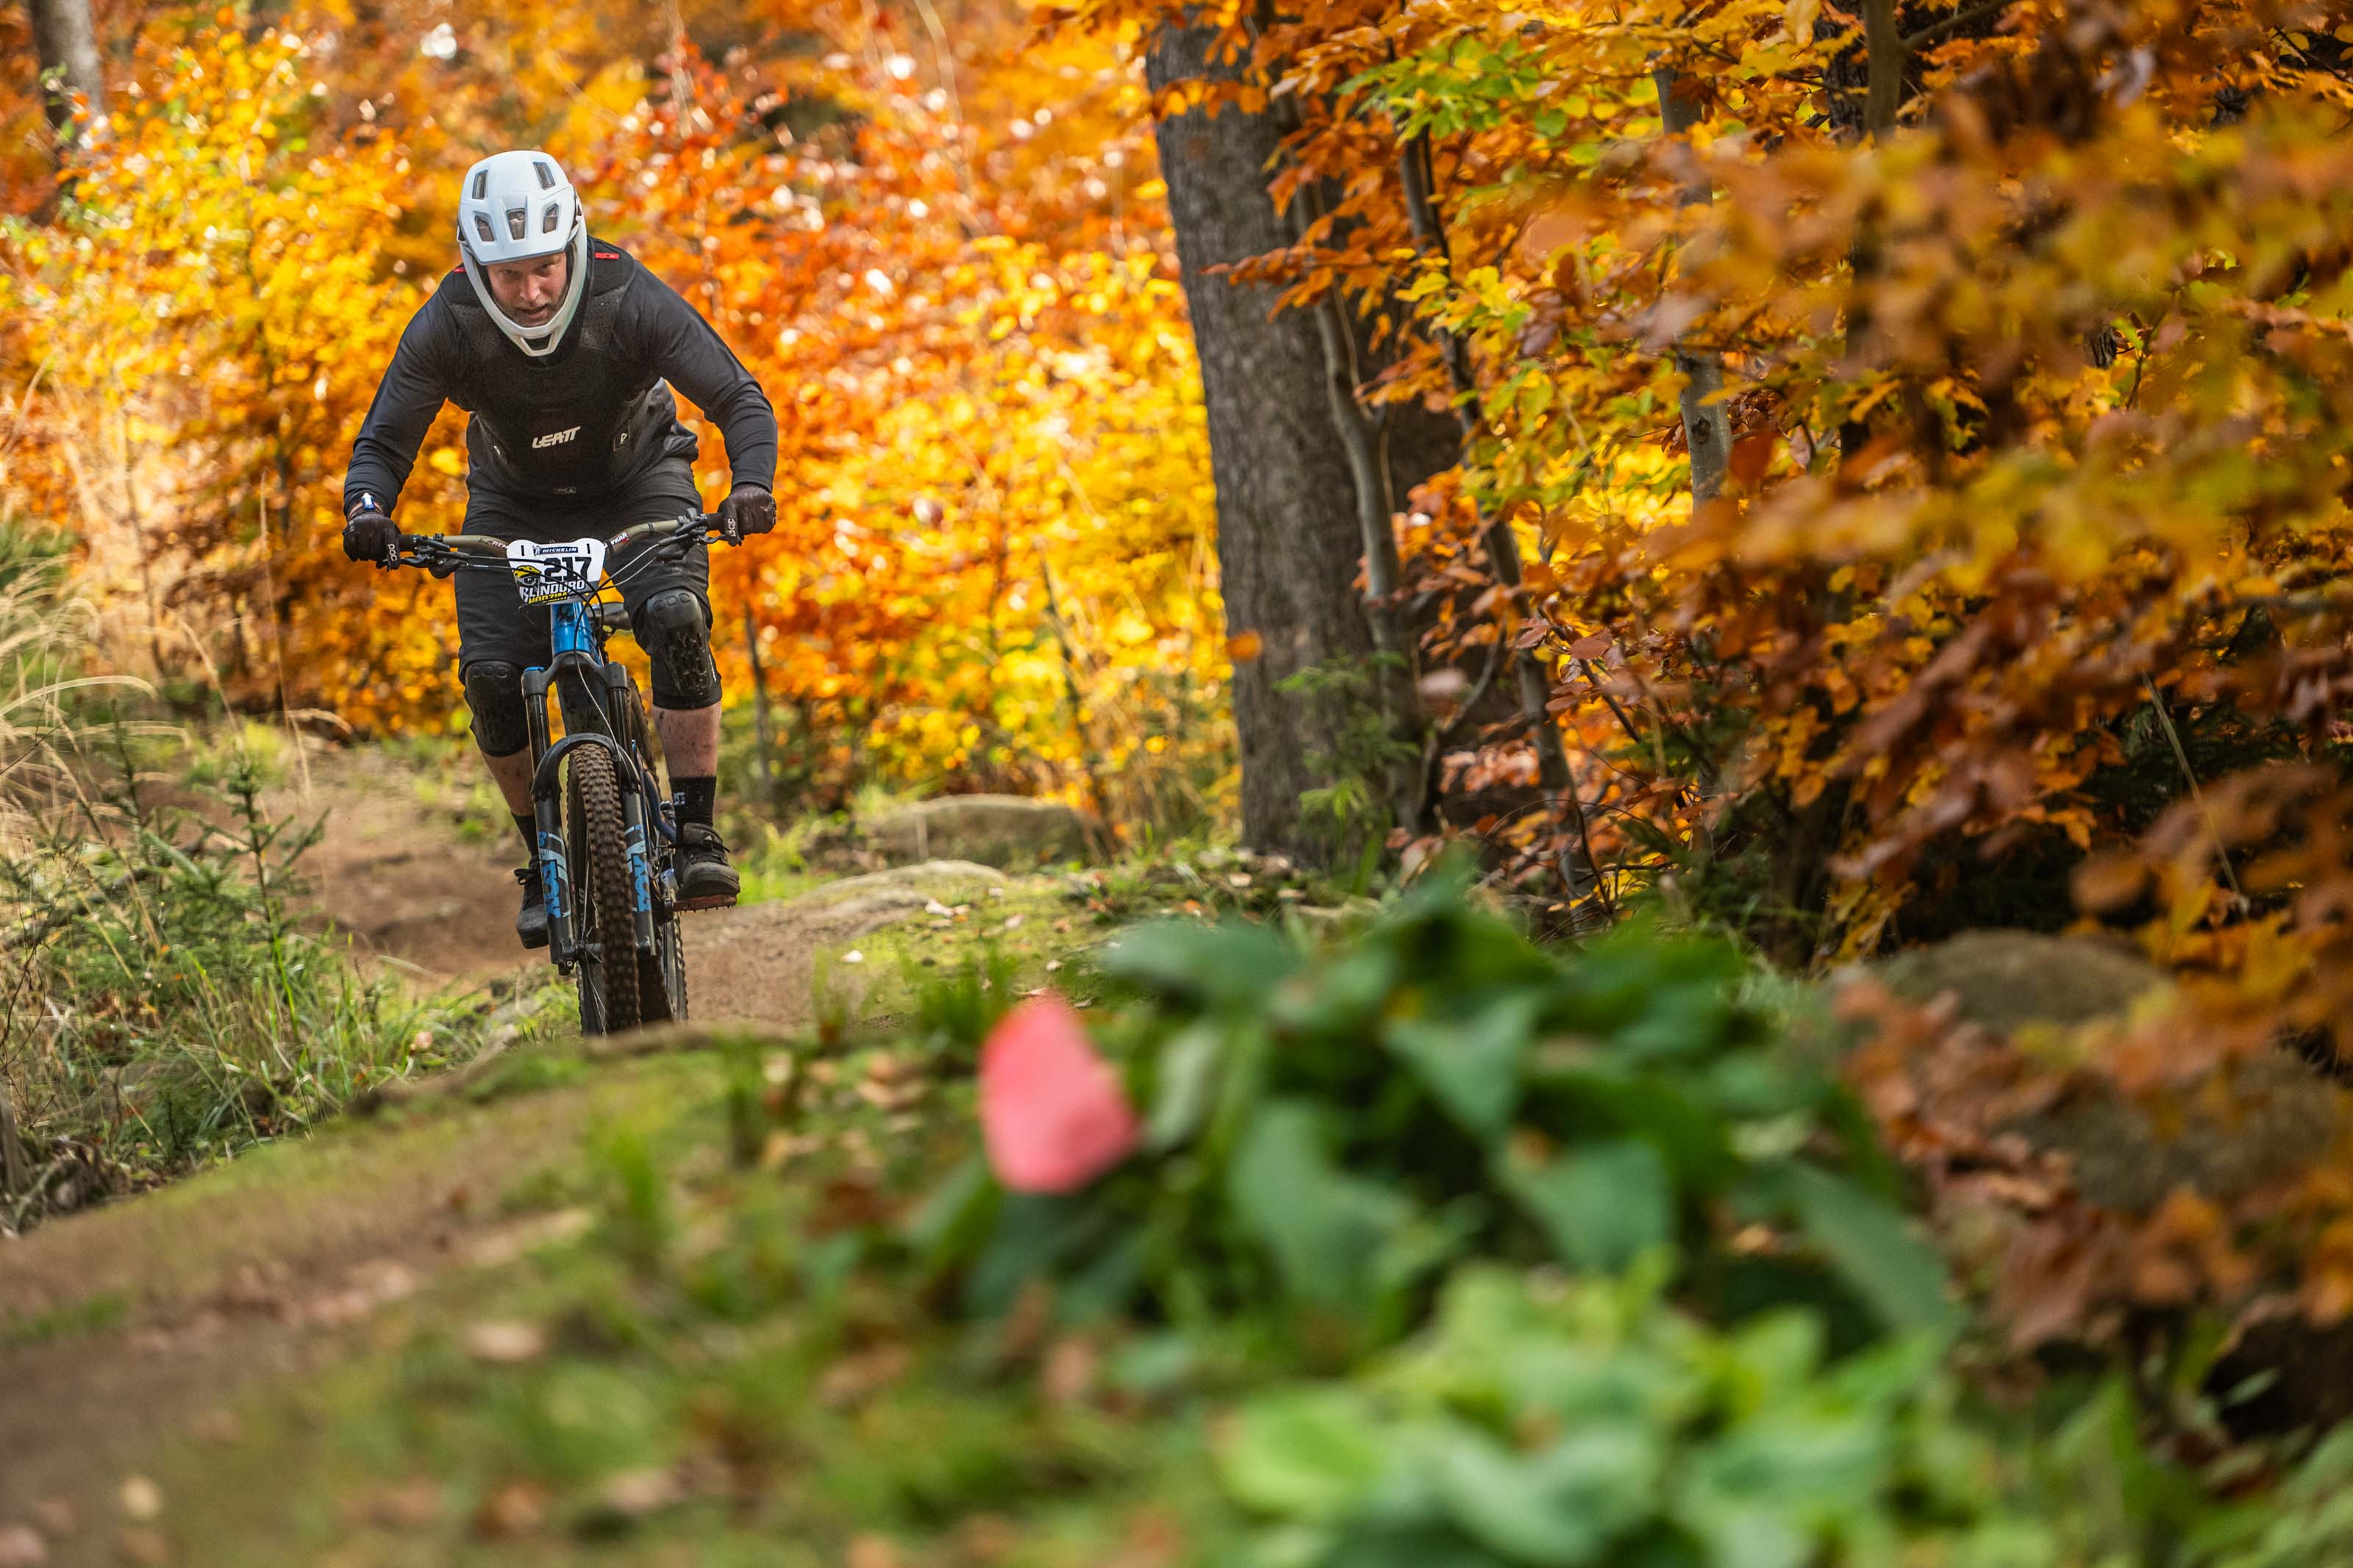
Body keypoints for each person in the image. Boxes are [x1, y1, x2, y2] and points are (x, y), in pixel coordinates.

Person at [340, 148, 777, 948]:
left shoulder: (624, 292)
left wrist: (749, 484)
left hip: (639, 481)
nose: (532, 292)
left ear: (573, 245)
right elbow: (384, 443)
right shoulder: (448, 320)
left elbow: (737, 396)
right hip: (513, 505)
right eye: (509, 276)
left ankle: (697, 830)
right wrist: (368, 510)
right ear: (476, 269)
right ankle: (541, 862)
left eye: (544, 268)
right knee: (492, 678)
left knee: (677, 617)